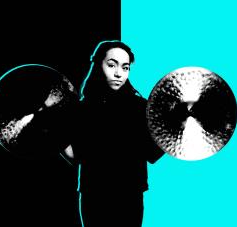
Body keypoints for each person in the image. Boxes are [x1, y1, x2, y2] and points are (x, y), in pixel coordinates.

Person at [64, 40, 164, 227]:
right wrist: (52, 131)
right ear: (97, 64)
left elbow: (152, 154)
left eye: (125, 68)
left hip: (130, 195)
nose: (119, 73)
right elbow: (75, 155)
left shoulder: (140, 107)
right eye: (112, 65)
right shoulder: (83, 108)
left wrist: (171, 129)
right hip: (94, 194)